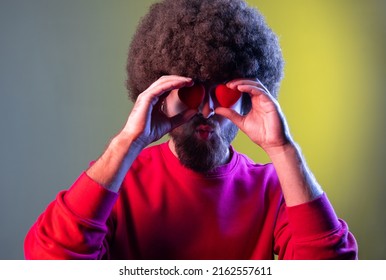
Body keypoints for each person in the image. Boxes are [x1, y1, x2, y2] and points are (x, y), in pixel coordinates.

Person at [24, 0, 357, 260]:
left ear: (252, 95)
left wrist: (284, 150)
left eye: (226, 92)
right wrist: (127, 143)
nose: (208, 110)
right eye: (191, 92)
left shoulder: (276, 187)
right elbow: (47, 261)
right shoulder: (116, 181)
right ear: (158, 90)